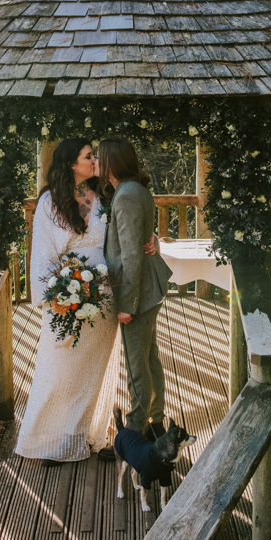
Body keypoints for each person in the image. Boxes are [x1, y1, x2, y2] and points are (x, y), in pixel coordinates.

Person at [15, 138, 154, 465]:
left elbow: (128, 230)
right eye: (89, 156)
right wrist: (57, 293)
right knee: (58, 369)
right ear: (71, 164)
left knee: (92, 371)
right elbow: (43, 254)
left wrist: (152, 240)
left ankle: (81, 435)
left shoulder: (106, 195)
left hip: (104, 293)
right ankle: (52, 439)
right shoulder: (49, 202)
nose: (95, 160)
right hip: (65, 294)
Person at [96, 138, 173, 442]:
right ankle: (156, 423)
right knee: (150, 359)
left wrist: (127, 304)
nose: (96, 163)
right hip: (149, 288)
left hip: (138, 293)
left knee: (137, 366)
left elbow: (130, 256)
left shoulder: (126, 196)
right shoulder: (135, 190)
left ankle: (135, 431)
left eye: (99, 158)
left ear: (111, 163)